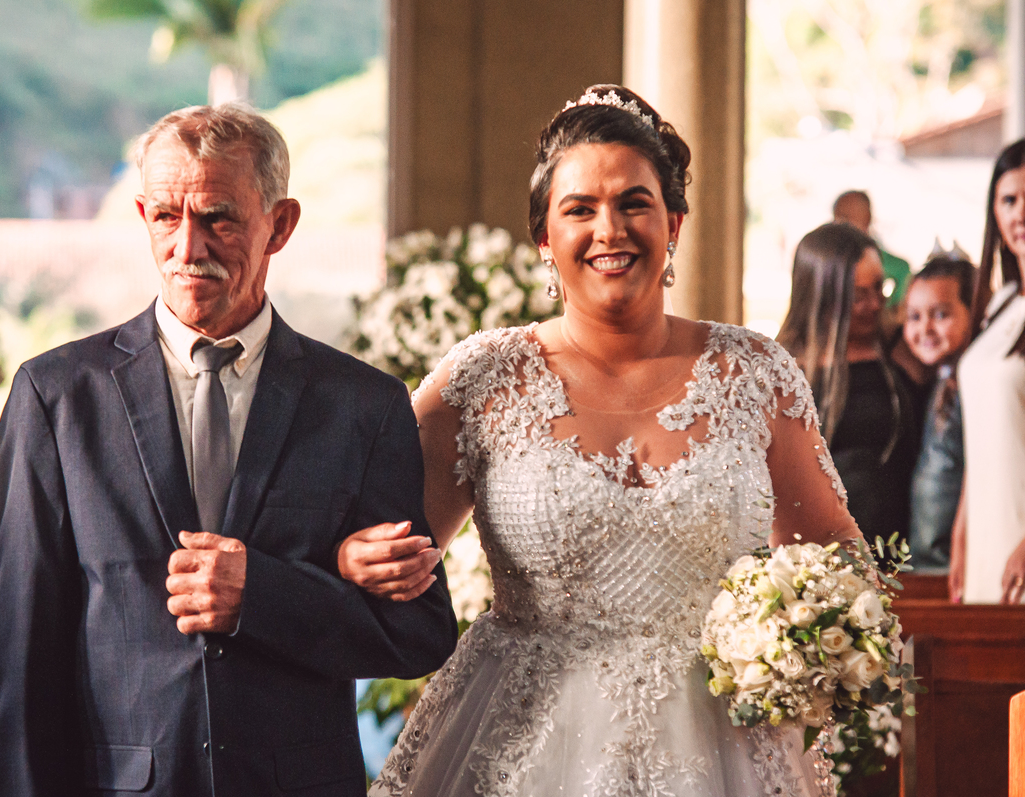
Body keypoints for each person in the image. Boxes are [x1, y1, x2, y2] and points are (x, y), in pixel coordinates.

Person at [337, 85, 859, 796]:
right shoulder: (483, 377)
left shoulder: (757, 372)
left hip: (727, 746)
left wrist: (814, 641)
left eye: (634, 204)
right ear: (545, 239)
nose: (609, 229)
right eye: (580, 209)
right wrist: (352, 552)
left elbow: (835, 548)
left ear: (673, 223)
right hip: (520, 741)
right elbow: (392, 539)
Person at [0, 104, 458, 796]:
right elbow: (23, 661)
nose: (187, 246)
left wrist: (262, 591)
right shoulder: (54, 397)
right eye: (166, 217)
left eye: (218, 218)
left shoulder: (365, 405)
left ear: (281, 224)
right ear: (143, 214)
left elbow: (418, 633)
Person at [775, 223, 925, 550]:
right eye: (859, 295)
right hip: (815, 562)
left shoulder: (901, 347)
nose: (875, 304)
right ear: (821, 294)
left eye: (879, 288)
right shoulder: (781, 370)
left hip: (904, 554)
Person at [950, 138, 1025, 605]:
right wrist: (961, 530)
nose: (1021, 213)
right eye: (1009, 200)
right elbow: (984, 435)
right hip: (986, 534)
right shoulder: (999, 306)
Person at [903, 254, 976, 573]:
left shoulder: (970, 386)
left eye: (941, 314)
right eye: (914, 316)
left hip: (952, 563)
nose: (924, 328)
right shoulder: (939, 380)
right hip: (926, 561)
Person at [832, 189, 911, 313]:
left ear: (868, 217)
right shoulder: (829, 262)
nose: (839, 223)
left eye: (846, 216)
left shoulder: (896, 268)